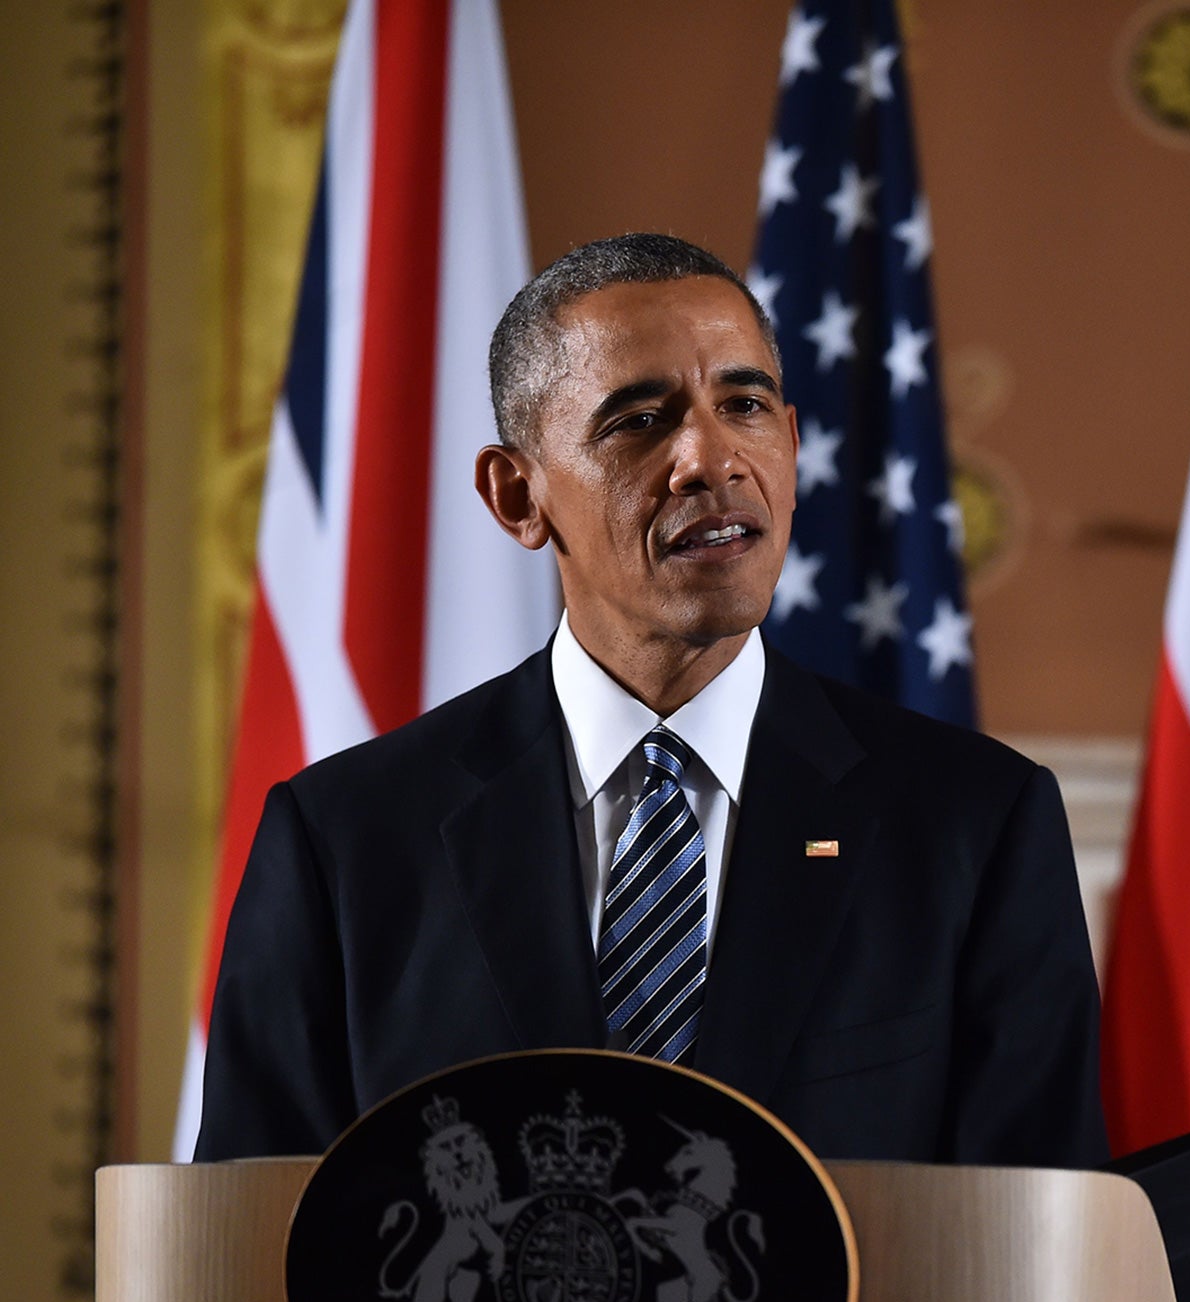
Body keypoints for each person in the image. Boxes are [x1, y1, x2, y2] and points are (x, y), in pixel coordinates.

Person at [194, 234, 1107, 1168]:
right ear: (518, 496)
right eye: (638, 422)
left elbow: (1035, 1246)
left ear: (792, 447)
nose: (711, 459)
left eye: (745, 406)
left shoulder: (974, 823)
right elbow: (251, 1244)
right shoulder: (345, 839)